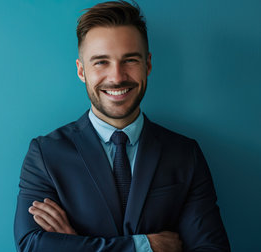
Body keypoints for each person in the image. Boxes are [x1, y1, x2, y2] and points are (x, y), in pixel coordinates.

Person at [13, 1, 230, 251]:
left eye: (130, 60)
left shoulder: (185, 154)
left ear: (147, 65)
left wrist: (75, 244)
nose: (117, 77)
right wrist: (143, 246)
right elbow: (31, 245)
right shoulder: (45, 154)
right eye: (101, 62)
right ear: (81, 71)